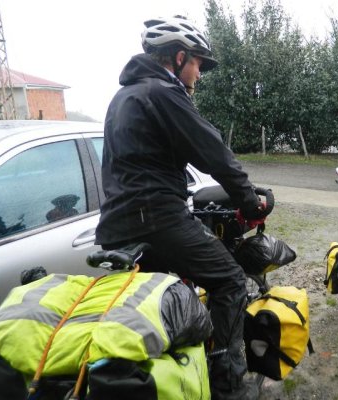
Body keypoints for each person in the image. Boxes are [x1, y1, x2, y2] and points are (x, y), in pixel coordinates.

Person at [95, 16, 267, 400]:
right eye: (198, 64)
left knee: (155, 305)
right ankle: (227, 386)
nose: (199, 74)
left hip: (114, 225)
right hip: (156, 218)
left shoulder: (122, 97)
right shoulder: (163, 92)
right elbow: (213, 152)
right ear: (178, 57)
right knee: (229, 280)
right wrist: (250, 202)